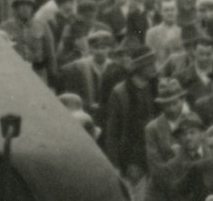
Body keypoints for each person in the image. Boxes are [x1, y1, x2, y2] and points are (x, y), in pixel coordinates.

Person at [104, 47, 159, 185]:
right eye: (149, 64)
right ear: (139, 67)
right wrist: (115, 165)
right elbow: (112, 132)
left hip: (154, 156)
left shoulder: (155, 87)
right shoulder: (120, 92)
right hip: (130, 160)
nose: (154, 68)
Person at [0, 0, 57, 84]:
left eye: (28, 5)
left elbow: (50, 55)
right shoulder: (5, 27)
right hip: (13, 74)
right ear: (16, 7)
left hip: (37, 74)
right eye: (22, 4)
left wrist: (52, 78)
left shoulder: (42, 26)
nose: (25, 8)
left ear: (32, 7)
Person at [146, 78, 190, 201]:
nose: (171, 108)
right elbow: (156, 166)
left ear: (182, 100)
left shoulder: (192, 122)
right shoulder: (152, 129)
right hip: (161, 192)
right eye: (166, 105)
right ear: (161, 106)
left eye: (175, 103)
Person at [57, 29, 115, 115]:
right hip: (85, 110)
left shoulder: (114, 67)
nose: (99, 52)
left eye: (103, 48)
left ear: (109, 49)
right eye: (96, 48)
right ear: (91, 49)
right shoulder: (80, 67)